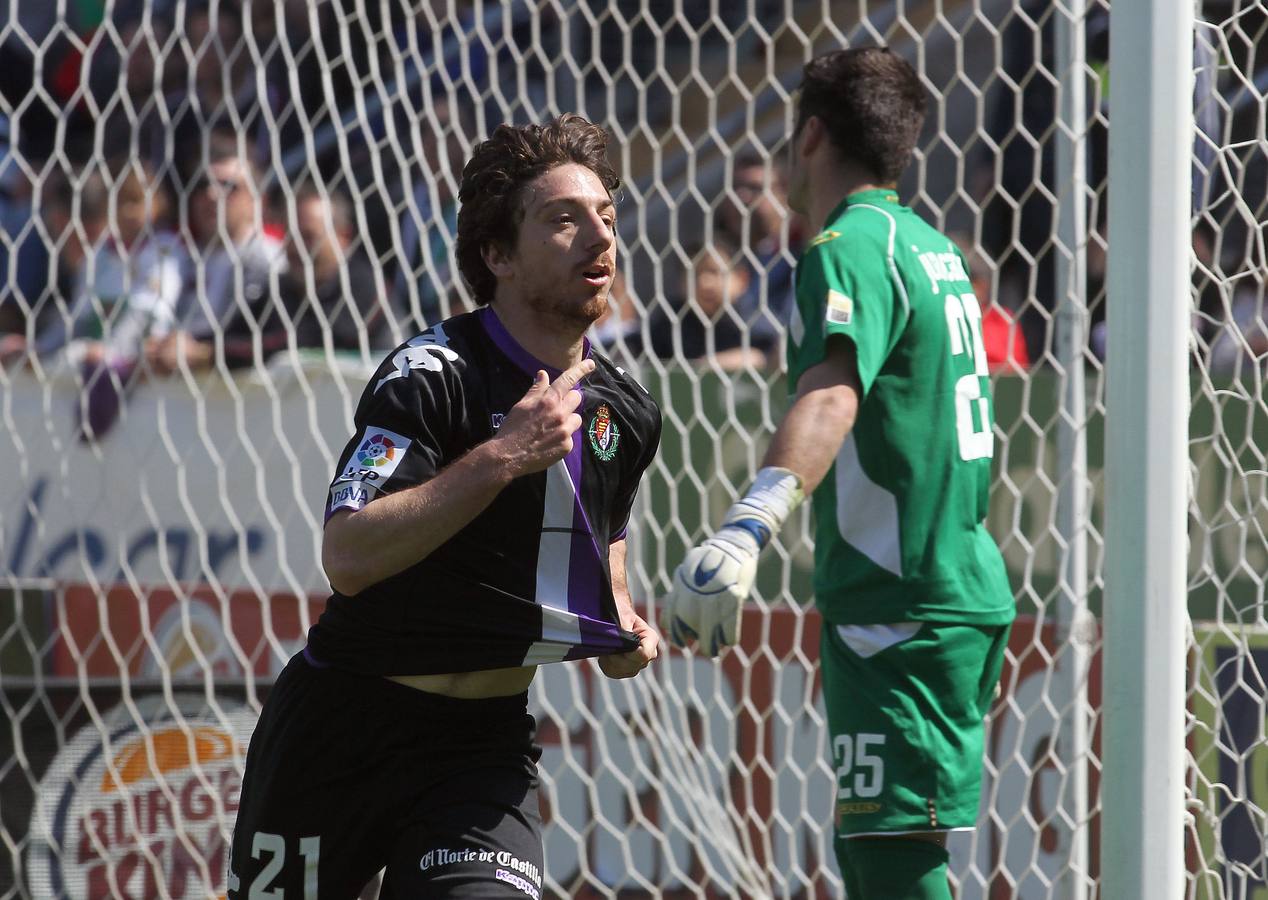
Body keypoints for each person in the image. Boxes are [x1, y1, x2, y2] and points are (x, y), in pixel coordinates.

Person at [228, 114, 662, 898]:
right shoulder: (430, 375)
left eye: (605, 215)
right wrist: (500, 458)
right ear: (497, 255)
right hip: (342, 730)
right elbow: (349, 556)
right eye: (562, 219)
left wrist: (627, 628)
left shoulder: (625, 415)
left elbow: (608, 567)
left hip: (482, 751)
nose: (598, 236)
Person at [659, 48, 1015, 899]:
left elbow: (830, 398)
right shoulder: (932, 249)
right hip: (943, 584)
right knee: (874, 846)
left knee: (894, 858)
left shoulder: (845, 246)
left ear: (810, 135)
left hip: (904, 602)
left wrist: (749, 523)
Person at [147, 130, 285, 373]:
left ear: (257, 199)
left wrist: (198, 351)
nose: (211, 194)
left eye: (228, 186)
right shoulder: (179, 258)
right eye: (201, 185)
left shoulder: (269, 260)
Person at [278, 183, 392, 355]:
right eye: (290, 236)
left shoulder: (366, 290)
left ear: (343, 236)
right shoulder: (279, 290)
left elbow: (320, 339)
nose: (296, 247)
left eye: (308, 237)